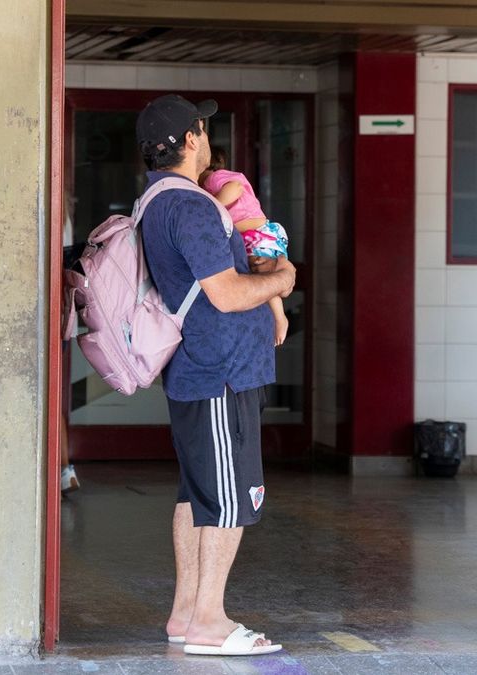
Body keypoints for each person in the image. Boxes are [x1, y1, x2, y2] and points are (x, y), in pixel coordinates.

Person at [134, 93, 295, 656]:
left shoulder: (156, 200)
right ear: (192, 138)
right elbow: (225, 294)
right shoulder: (194, 207)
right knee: (228, 498)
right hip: (219, 370)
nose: (205, 137)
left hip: (197, 370)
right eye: (201, 128)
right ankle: (209, 621)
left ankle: (185, 614)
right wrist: (281, 282)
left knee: (198, 495)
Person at [200, 147, 290, 346]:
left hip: (259, 234)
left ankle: (279, 318)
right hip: (255, 235)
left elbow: (235, 188)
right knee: (257, 274)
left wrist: (213, 208)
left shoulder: (214, 178)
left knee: (262, 274)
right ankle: (277, 317)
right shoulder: (209, 185)